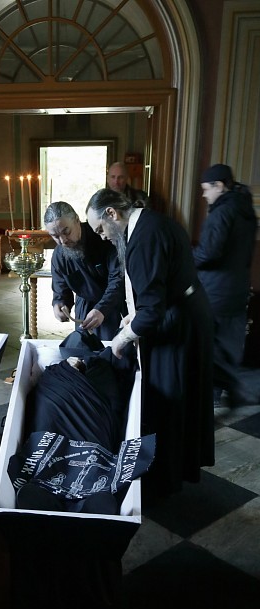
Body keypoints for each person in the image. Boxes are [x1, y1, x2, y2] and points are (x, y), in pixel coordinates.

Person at [86, 188, 215, 499]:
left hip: (178, 324)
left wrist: (122, 338)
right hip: (184, 312)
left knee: (168, 398)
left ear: (112, 214)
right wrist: (135, 316)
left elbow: (153, 310)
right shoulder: (151, 222)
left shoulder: (143, 238)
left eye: (100, 229)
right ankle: (173, 470)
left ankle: (164, 481)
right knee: (175, 397)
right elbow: (158, 288)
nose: (102, 236)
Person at [193, 163, 258, 412]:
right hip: (238, 288)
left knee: (208, 344)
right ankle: (223, 393)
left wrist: (186, 256)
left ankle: (214, 394)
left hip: (216, 291)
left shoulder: (222, 212)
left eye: (206, 189)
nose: (204, 194)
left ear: (219, 186)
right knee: (229, 344)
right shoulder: (245, 209)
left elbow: (209, 253)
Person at [44, 201, 125, 343]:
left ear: (77, 220)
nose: (63, 240)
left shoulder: (103, 237)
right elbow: (60, 289)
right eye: (55, 236)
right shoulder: (59, 255)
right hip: (85, 305)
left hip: (114, 302)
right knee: (85, 347)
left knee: (113, 348)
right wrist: (60, 304)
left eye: (66, 232)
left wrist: (102, 309)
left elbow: (118, 280)